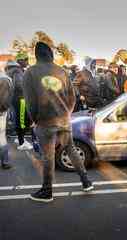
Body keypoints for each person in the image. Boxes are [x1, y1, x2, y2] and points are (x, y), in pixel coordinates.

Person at [23, 42, 94, 203]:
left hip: (45, 121)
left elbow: (30, 102)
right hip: (63, 120)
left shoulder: (30, 73)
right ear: (51, 54)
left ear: (36, 55)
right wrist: (67, 114)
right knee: (71, 150)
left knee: (48, 156)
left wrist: (34, 119)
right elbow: (72, 97)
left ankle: (47, 191)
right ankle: (86, 182)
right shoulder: (61, 71)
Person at [5, 55, 33, 151]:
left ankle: (19, 138)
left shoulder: (11, 70)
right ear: (21, 61)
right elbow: (19, 85)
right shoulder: (17, 70)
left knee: (19, 119)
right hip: (20, 98)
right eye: (26, 60)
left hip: (14, 99)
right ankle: (21, 143)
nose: (27, 62)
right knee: (22, 120)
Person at [0, 70, 13, 169]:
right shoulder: (4, 78)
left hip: (1, 112)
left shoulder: (3, 79)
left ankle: (5, 161)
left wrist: (1, 111)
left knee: (1, 138)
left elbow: (4, 100)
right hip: (2, 111)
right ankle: (5, 162)